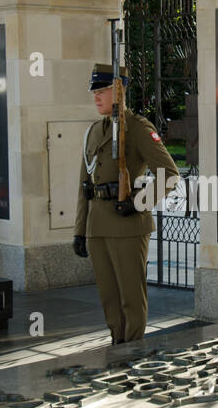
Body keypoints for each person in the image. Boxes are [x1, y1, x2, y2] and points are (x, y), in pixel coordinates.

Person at [74, 63, 180, 343]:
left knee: (130, 297)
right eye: (94, 91)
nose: (96, 96)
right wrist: (79, 230)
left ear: (119, 91)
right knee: (109, 297)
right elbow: (84, 186)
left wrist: (139, 202)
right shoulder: (94, 131)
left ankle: (132, 350)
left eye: (103, 90)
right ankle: (116, 346)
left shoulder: (137, 128)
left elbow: (170, 175)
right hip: (98, 224)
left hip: (128, 224)